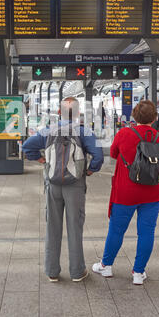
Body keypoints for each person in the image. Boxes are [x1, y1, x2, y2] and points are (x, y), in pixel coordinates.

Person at [22, 97, 104, 283]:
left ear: (59, 113)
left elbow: (27, 147)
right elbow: (98, 155)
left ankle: (52, 271)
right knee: (75, 227)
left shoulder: (47, 130)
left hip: (53, 185)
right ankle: (77, 271)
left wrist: (42, 160)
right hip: (75, 184)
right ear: (77, 113)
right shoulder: (84, 132)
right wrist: (90, 170)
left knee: (53, 226)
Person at [92, 100, 159, 285]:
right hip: (153, 190)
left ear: (134, 116)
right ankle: (138, 272)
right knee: (147, 232)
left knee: (117, 230)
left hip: (127, 191)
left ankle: (106, 266)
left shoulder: (124, 133)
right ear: (155, 118)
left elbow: (113, 153)